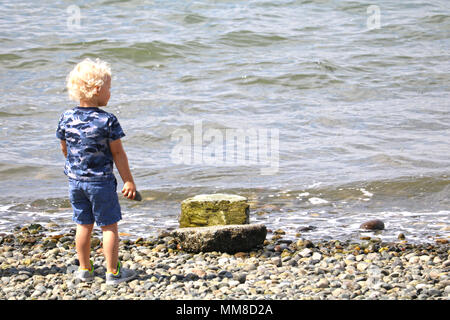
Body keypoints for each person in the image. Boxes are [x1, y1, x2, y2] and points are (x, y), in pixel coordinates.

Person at [56, 58, 136, 285]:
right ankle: (113, 272)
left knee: (83, 225)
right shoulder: (107, 120)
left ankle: (85, 269)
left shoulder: (66, 117)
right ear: (98, 89)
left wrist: (75, 167)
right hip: (100, 183)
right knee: (108, 226)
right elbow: (118, 154)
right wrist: (128, 180)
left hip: (75, 182)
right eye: (109, 88)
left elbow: (65, 147)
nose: (110, 93)